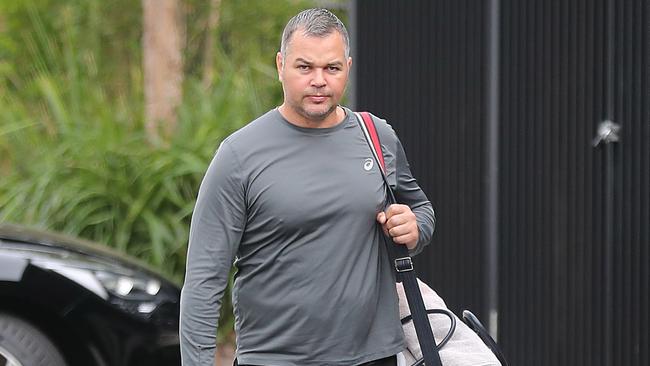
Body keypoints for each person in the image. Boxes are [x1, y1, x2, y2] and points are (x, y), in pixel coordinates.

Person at [180, 8, 435, 366]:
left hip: (373, 357)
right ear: (280, 65)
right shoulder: (239, 156)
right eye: (305, 67)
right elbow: (203, 282)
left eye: (331, 68)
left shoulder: (376, 137)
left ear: (347, 66)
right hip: (273, 359)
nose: (319, 80)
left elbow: (421, 210)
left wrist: (414, 227)